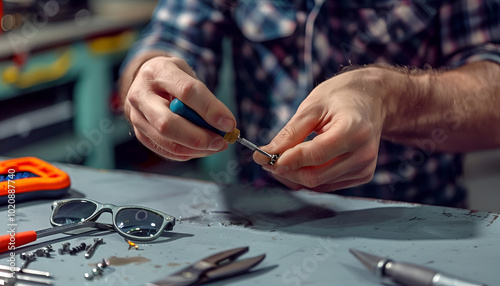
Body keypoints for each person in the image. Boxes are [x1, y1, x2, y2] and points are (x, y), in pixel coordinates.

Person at [119, 0, 500, 208]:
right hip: (261, 217)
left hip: (414, 218)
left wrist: (387, 95)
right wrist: (150, 74)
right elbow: (171, 37)